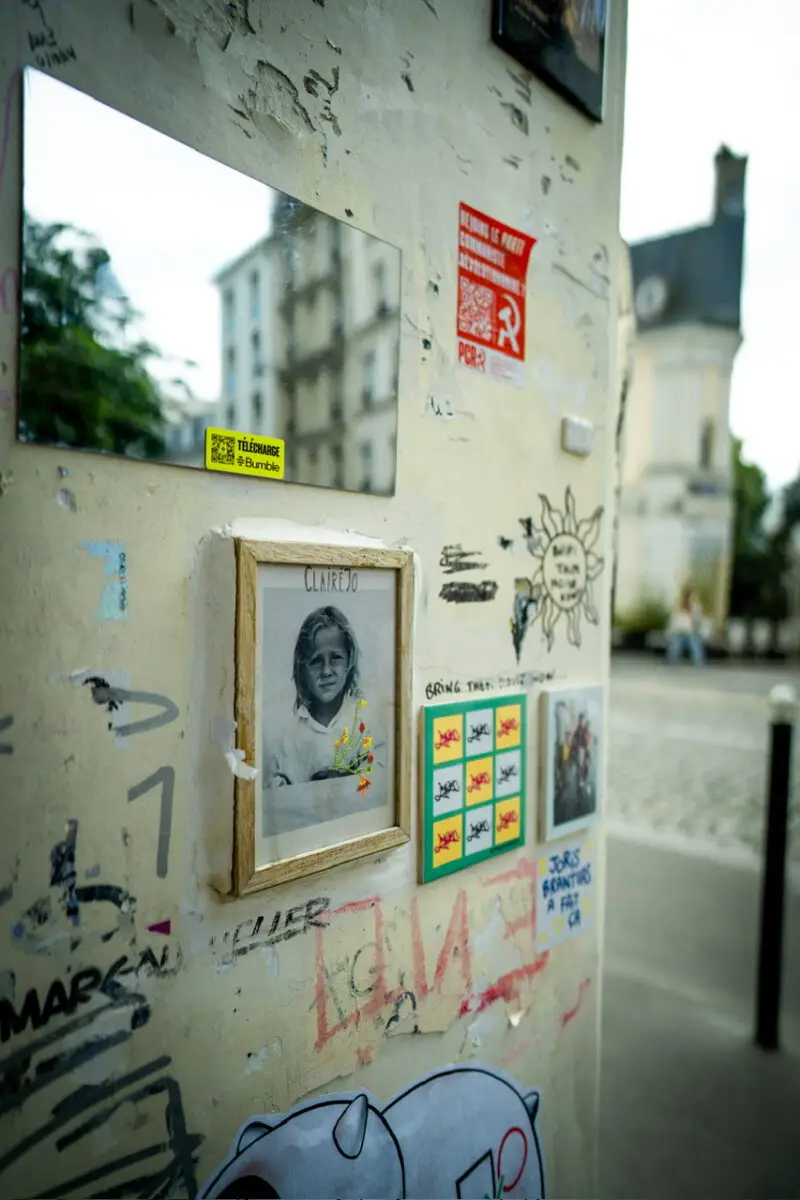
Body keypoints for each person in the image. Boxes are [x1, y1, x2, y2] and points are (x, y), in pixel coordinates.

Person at [264, 606, 377, 789]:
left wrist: (345, 779)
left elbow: (377, 783)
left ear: (349, 661)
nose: (326, 671)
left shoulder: (366, 726)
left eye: (336, 658)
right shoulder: (287, 740)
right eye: (316, 661)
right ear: (302, 668)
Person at [666, 583, 705, 666]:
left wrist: (695, 607)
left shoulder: (696, 606)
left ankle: (698, 663)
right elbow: (674, 619)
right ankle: (672, 662)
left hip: (690, 631)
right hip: (679, 630)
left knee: (695, 644)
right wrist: (671, 630)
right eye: (693, 594)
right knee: (675, 646)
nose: (695, 596)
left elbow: (698, 619)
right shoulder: (680, 605)